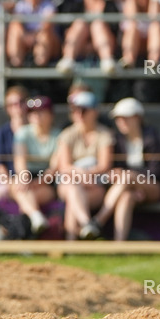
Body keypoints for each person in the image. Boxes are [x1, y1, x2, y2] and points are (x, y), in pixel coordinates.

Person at [88, 98, 160, 241]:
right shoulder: (117, 140)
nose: (121, 122)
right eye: (118, 118)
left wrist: (132, 178)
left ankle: (99, 220)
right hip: (129, 190)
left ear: (137, 117)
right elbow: (114, 170)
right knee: (126, 198)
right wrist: (117, 176)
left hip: (154, 187)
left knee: (127, 176)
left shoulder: (151, 137)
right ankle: (119, 245)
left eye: (125, 118)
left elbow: (156, 172)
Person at [53, 91, 114, 240]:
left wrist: (86, 175)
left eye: (83, 110)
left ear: (94, 111)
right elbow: (64, 166)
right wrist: (81, 173)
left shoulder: (104, 134)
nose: (78, 114)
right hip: (73, 182)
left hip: (93, 186)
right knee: (73, 188)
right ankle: (87, 224)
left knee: (74, 197)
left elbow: (105, 165)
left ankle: (71, 242)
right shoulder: (67, 134)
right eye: (75, 110)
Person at [8, 96, 60, 235]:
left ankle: (25, 231)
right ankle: (35, 218)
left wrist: (37, 183)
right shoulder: (22, 133)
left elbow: (54, 169)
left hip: (46, 182)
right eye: (32, 112)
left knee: (23, 197)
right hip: (27, 178)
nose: (36, 116)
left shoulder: (58, 136)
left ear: (51, 115)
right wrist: (24, 176)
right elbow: (20, 161)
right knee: (19, 188)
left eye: (41, 112)